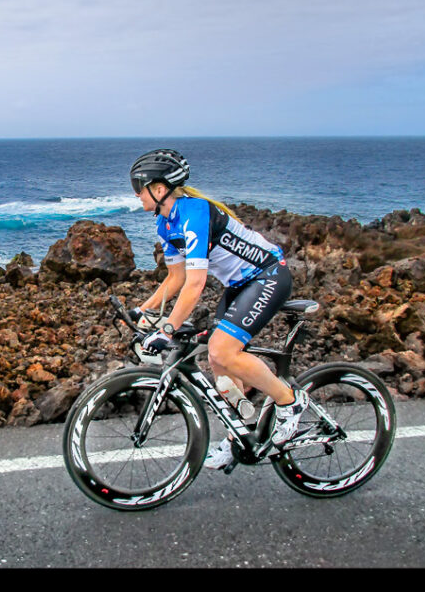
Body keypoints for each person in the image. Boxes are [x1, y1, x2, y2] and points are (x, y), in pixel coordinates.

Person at [127, 149, 309, 469]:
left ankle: (290, 402)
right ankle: (240, 433)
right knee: (216, 359)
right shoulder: (166, 225)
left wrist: (166, 329)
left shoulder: (193, 212)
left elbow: (195, 285)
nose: (135, 194)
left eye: (138, 187)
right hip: (239, 286)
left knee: (223, 351)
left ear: (159, 189)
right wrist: (144, 310)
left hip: (268, 274)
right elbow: (176, 278)